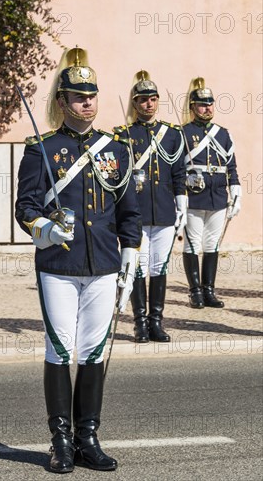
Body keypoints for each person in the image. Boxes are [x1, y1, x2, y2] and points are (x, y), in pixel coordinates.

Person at [15, 47, 142, 474]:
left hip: (104, 264)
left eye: (92, 96)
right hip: (59, 266)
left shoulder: (117, 148)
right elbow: (25, 206)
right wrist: (45, 230)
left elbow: (129, 209)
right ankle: (61, 442)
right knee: (61, 347)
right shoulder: (42, 150)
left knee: (92, 350)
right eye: (78, 96)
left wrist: (131, 254)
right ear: (62, 102)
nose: (87, 102)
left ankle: (88, 436)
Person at [113, 71, 187, 344]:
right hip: (137, 213)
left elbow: (179, 171)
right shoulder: (123, 135)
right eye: (143, 100)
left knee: (159, 268)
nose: (149, 104)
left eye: (153, 99)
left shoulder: (171, 134)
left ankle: (156, 322)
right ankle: (139, 324)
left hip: (165, 212)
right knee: (139, 267)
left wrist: (182, 203)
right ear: (134, 103)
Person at [181, 77, 241, 308]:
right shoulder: (183, 133)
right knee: (193, 244)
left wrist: (236, 191)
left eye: (210, 103)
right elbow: (176, 169)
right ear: (193, 107)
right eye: (202, 104)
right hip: (194, 197)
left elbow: (231, 166)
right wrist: (185, 181)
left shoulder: (223, 134)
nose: (207, 108)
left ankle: (209, 291)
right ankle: (194, 292)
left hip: (217, 196)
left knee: (212, 244)